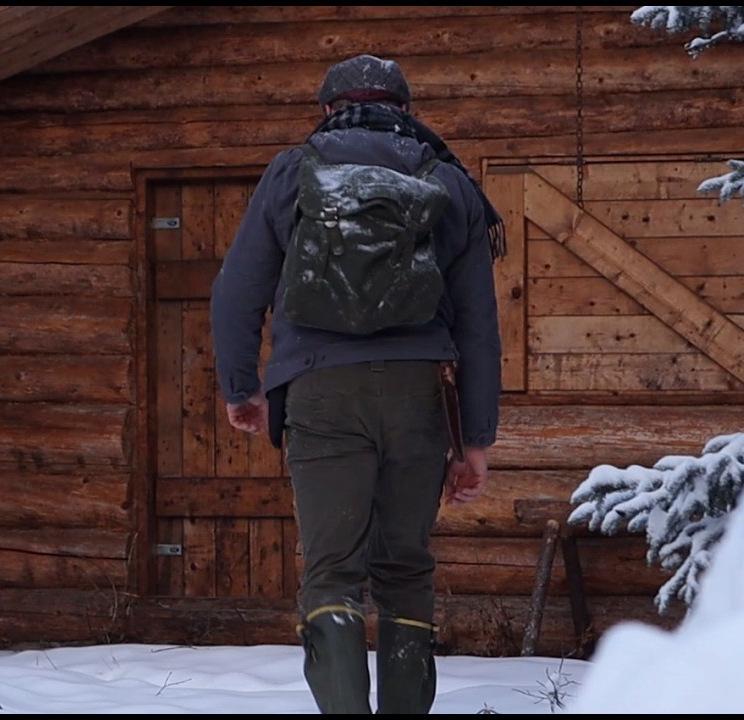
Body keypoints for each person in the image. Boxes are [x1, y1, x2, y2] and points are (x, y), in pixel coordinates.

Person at [209, 53, 503, 714]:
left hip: (319, 393)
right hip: (418, 397)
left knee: (333, 573)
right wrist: (475, 438)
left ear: (327, 110)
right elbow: (480, 323)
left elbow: (234, 294)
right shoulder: (447, 182)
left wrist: (241, 388)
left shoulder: (292, 173)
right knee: (404, 570)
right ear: (406, 110)